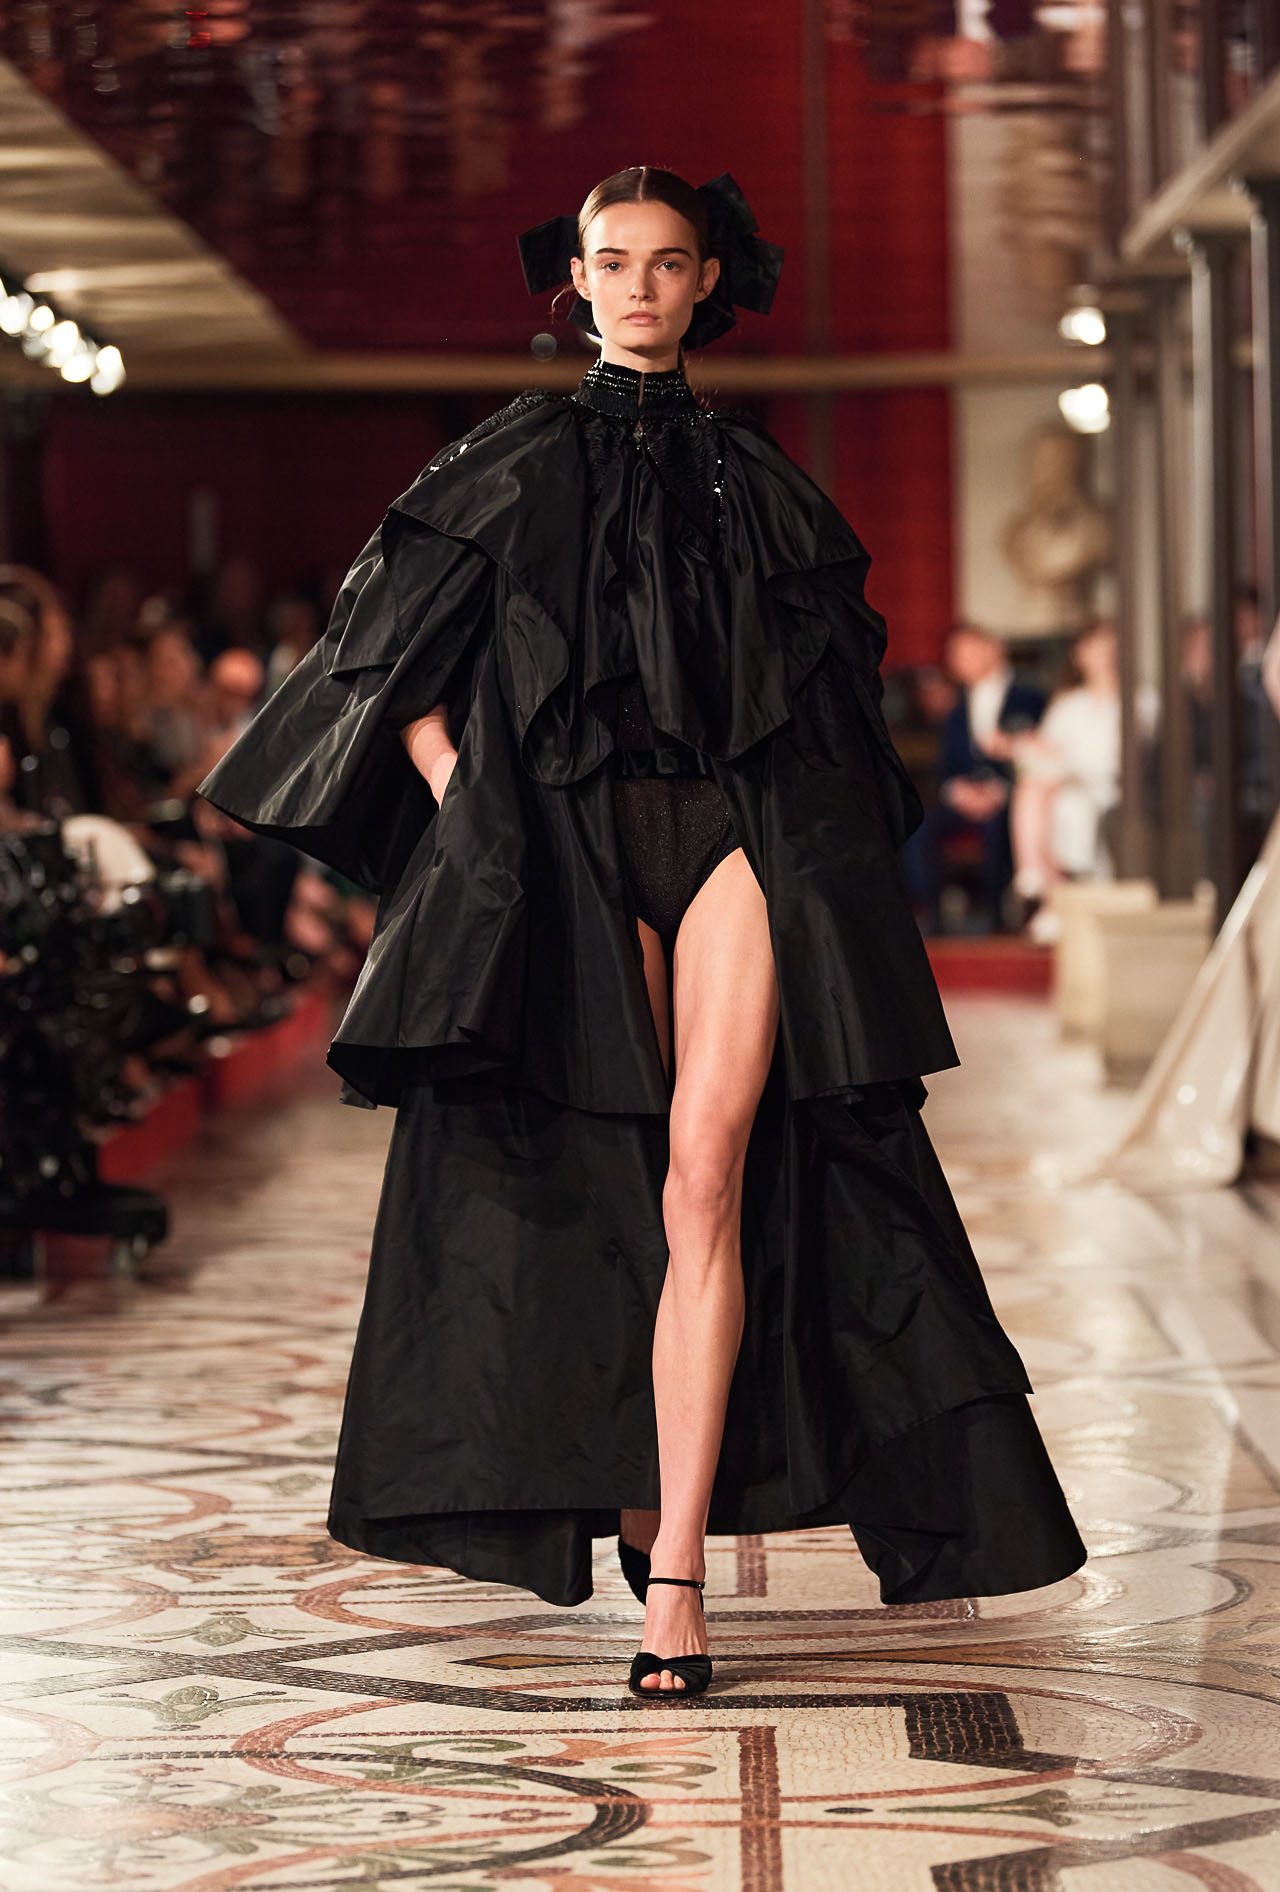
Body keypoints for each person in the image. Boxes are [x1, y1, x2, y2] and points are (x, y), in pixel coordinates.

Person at [199, 166, 1084, 1702]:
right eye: (613, 262)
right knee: (602, 1178)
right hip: (576, 843)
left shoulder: (760, 478)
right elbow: (381, 661)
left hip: (736, 838)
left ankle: (675, 1575)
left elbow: (828, 696)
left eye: (668, 263)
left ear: (706, 282)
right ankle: (631, 1480)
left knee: (708, 1173)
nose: (638, 287)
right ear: (578, 280)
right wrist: (472, 792)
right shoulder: (509, 461)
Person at [903, 624, 1045, 932]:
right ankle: (930, 914)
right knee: (918, 825)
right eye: (955, 655)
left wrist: (1001, 790)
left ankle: (997, 916)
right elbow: (947, 766)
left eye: (967, 652)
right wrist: (958, 791)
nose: (959, 662)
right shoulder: (955, 707)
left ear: (993, 649)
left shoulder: (1031, 697)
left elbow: (1042, 753)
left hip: (1012, 798)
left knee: (999, 828)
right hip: (965, 799)